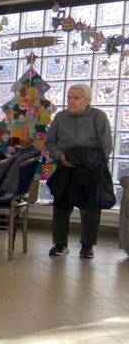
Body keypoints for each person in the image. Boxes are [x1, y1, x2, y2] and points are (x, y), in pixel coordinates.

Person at [45, 84, 113, 258]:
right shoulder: (60, 117)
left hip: (89, 169)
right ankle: (60, 244)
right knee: (60, 206)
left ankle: (87, 246)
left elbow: (106, 146)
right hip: (65, 167)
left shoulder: (98, 116)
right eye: (69, 97)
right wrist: (60, 156)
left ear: (87, 100)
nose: (71, 101)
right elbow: (49, 142)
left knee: (90, 209)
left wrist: (91, 163)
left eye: (76, 98)